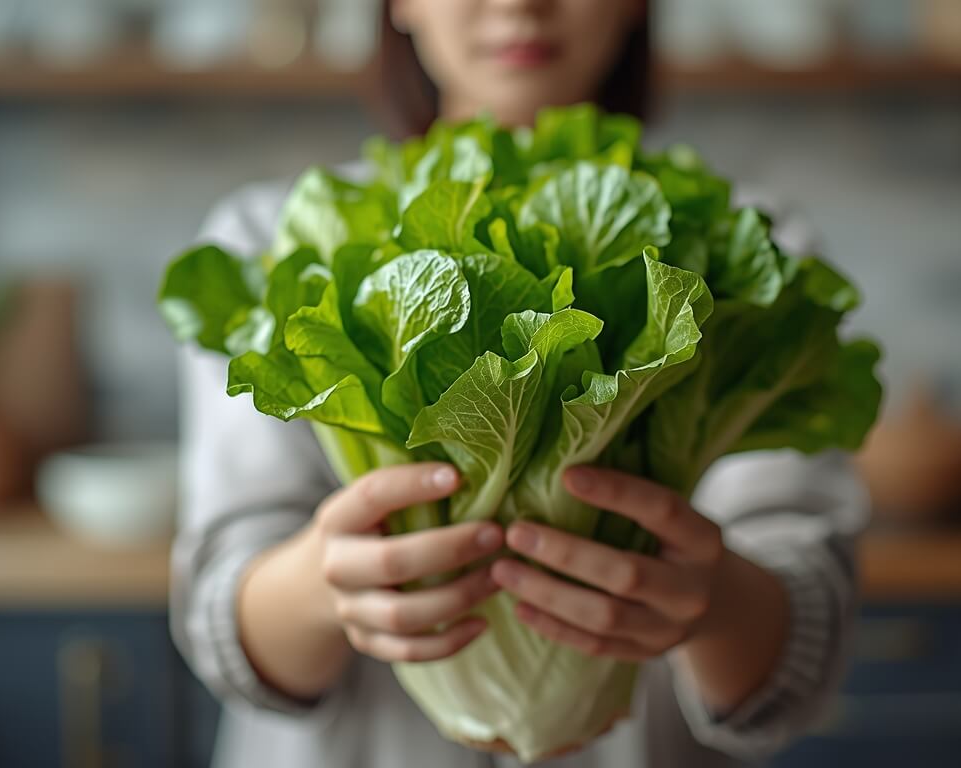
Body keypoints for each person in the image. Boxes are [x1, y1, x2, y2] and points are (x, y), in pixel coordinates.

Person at [171, 1, 868, 766]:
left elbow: (803, 622)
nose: (519, 5)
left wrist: (717, 602)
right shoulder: (274, 240)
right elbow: (224, 614)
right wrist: (320, 586)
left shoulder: (752, 244)